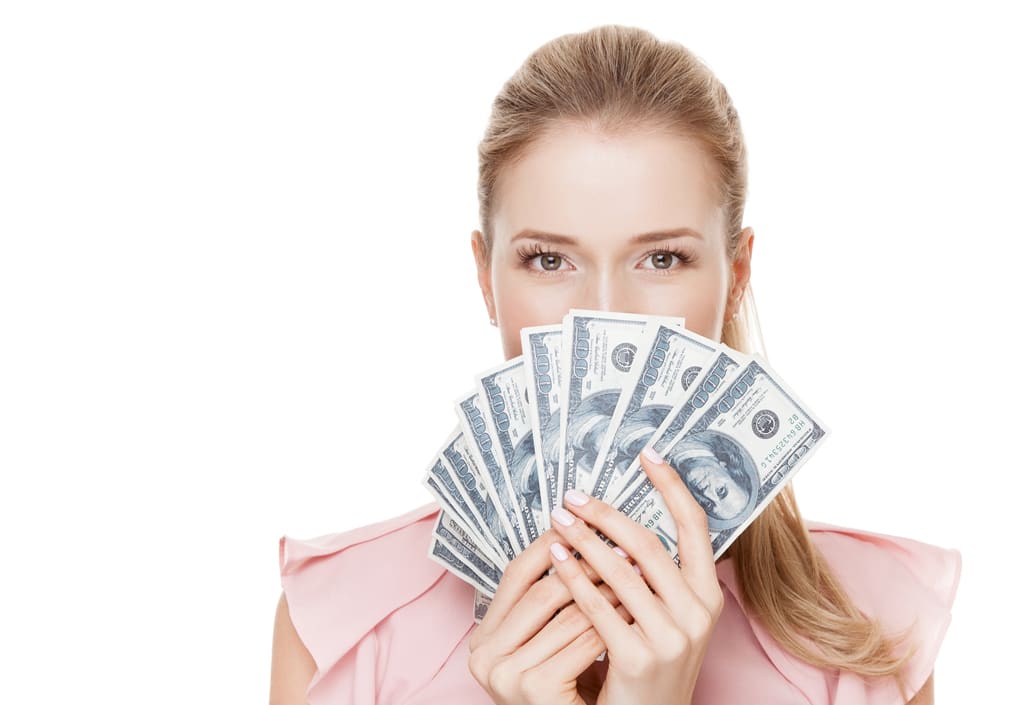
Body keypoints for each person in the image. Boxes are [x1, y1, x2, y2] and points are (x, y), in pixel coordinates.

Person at [270, 24, 960, 705]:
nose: (605, 316)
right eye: (549, 259)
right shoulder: (344, 626)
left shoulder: (869, 632)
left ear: (738, 274)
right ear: (485, 277)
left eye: (662, 259)